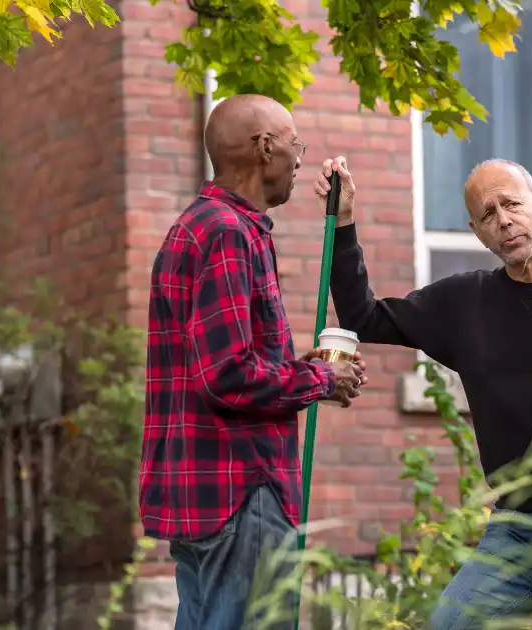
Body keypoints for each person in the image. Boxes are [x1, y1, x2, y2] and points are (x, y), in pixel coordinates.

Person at [313, 156, 532, 630]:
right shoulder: (464, 302)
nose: (504, 221)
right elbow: (363, 317)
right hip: (521, 526)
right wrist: (346, 221)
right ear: (477, 231)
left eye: (512, 205)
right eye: (488, 215)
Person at [140, 94, 368, 630]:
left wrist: (300, 370)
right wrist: (319, 377)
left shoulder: (197, 227)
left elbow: (222, 363)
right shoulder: (227, 232)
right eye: (294, 145)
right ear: (265, 148)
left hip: (204, 494)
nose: (298, 159)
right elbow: (228, 375)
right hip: (241, 491)